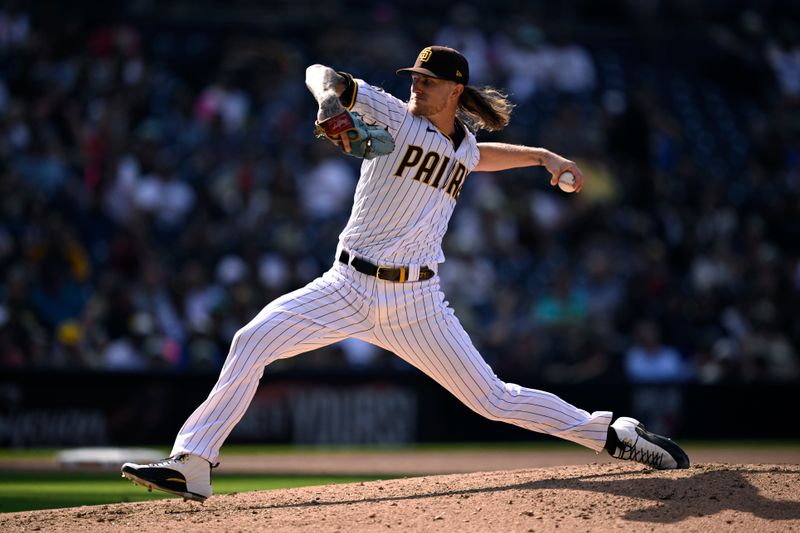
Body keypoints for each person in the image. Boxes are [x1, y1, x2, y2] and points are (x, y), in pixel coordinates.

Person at [121, 46, 689, 502]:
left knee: (492, 399)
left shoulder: (463, 145)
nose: (416, 85)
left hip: (418, 303)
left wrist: (542, 155)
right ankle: (193, 464)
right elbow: (322, 73)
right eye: (414, 76)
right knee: (252, 340)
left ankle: (612, 435)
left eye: (428, 80)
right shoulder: (391, 113)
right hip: (345, 286)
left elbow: (478, 156)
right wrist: (327, 102)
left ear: (455, 90)